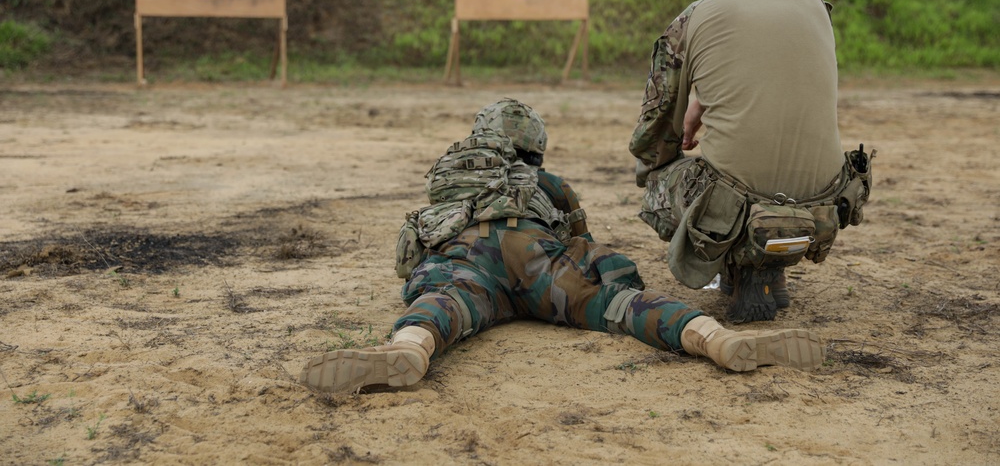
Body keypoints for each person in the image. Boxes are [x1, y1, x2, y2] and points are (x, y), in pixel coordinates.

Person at [300, 98, 825, 394]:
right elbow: (582, 244)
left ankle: (408, 349)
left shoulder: (454, 180)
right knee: (619, 304)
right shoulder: (548, 185)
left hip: (467, 259)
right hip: (538, 261)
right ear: (535, 149)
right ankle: (713, 338)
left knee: (443, 302)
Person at [630, 0, 873, 323]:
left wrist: (655, 164)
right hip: (827, 202)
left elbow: (656, 122)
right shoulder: (814, 2)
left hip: (738, 206)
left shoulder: (695, 16)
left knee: (661, 175)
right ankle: (769, 271)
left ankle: (741, 267)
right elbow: (771, 78)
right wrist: (701, 105)